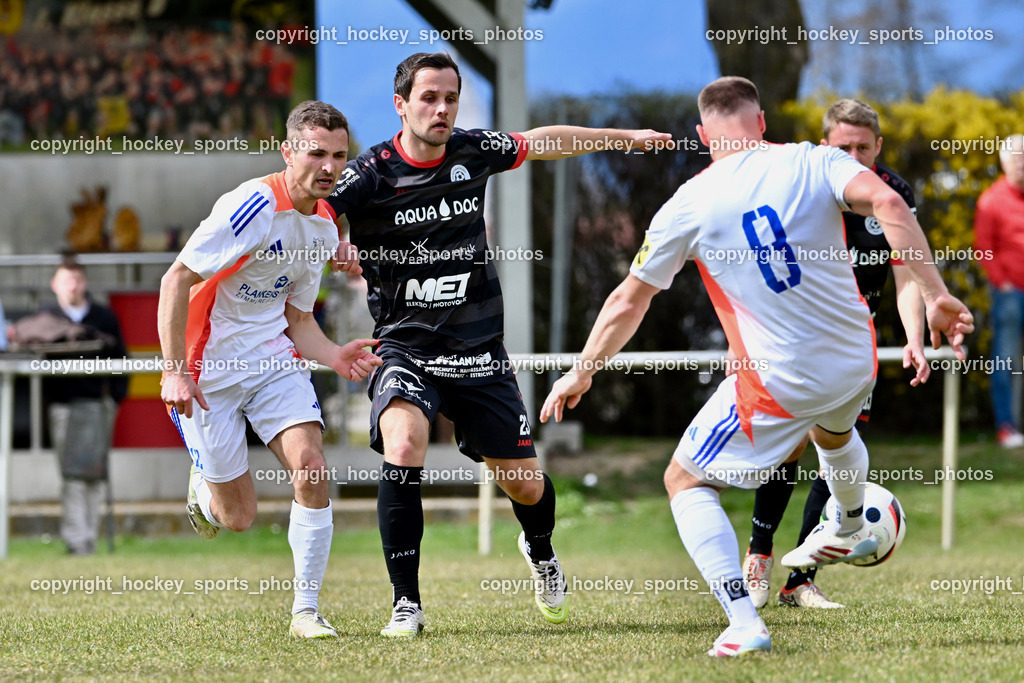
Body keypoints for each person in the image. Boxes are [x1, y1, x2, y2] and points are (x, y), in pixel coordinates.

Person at [540, 76, 973, 656]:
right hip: (856, 358)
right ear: (762, 122)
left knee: (684, 480)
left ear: (702, 134)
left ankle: (744, 622)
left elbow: (629, 299)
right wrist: (936, 291)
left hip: (780, 376)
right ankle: (846, 521)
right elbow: (891, 204)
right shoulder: (815, 160)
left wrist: (582, 371)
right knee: (832, 431)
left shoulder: (689, 202)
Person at [326, 51, 670, 637]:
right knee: (404, 443)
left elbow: (542, 140)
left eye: (450, 98)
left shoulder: (470, 150)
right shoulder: (370, 174)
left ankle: (540, 552)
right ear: (400, 103)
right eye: (429, 97)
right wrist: (334, 241)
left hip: (479, 349)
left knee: (525, 484)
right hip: (405, 346)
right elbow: (317, 208)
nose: (441, 109)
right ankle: (405, 602)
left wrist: (624, 137)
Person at [158, 100, 383, 639]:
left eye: (338, 156)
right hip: (208, 370)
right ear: (288, 152)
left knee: (311, 466)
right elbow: (175, 281)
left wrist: (332, 354)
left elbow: (297, 317)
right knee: (238, 518)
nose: (328, 167)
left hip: (273, 360)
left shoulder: (326, 227)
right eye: (316, 154)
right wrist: (172, 371)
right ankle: (204, 491)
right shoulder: (252, 204)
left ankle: (306, 611)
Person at [743, 99, 929, 610]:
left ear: (878, 148)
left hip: (853, 344)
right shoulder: (799, 191)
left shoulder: (893, 195)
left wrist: (914, 338)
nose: (853, 156)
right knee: (792, 445)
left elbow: (907, 276)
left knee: (840, 452)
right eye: (842, 147)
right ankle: (758, 556)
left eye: (862, 148)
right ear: (825, 146)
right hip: (794, 335)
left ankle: (798, 579)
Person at [44, 261, 128, 555]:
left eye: (77, 279)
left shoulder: (104, 318)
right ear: (55, 284)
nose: (72, 285)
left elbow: (122, 362)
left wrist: (113, 400)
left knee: (94, 475)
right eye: (66, 279)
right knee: (72, 476)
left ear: (85, 282)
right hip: (64, 410)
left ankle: (88, 538)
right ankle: (76, 541)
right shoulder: (47, 319)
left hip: (97, 408)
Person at [974, 133, 1024, 449]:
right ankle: (1006, 426)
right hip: (1009, 294)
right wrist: (1001, 282)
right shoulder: (991, 200)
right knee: (1006, 360)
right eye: (1017, 157)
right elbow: (983, 247)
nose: (1022, 163)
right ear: (1004, 162)